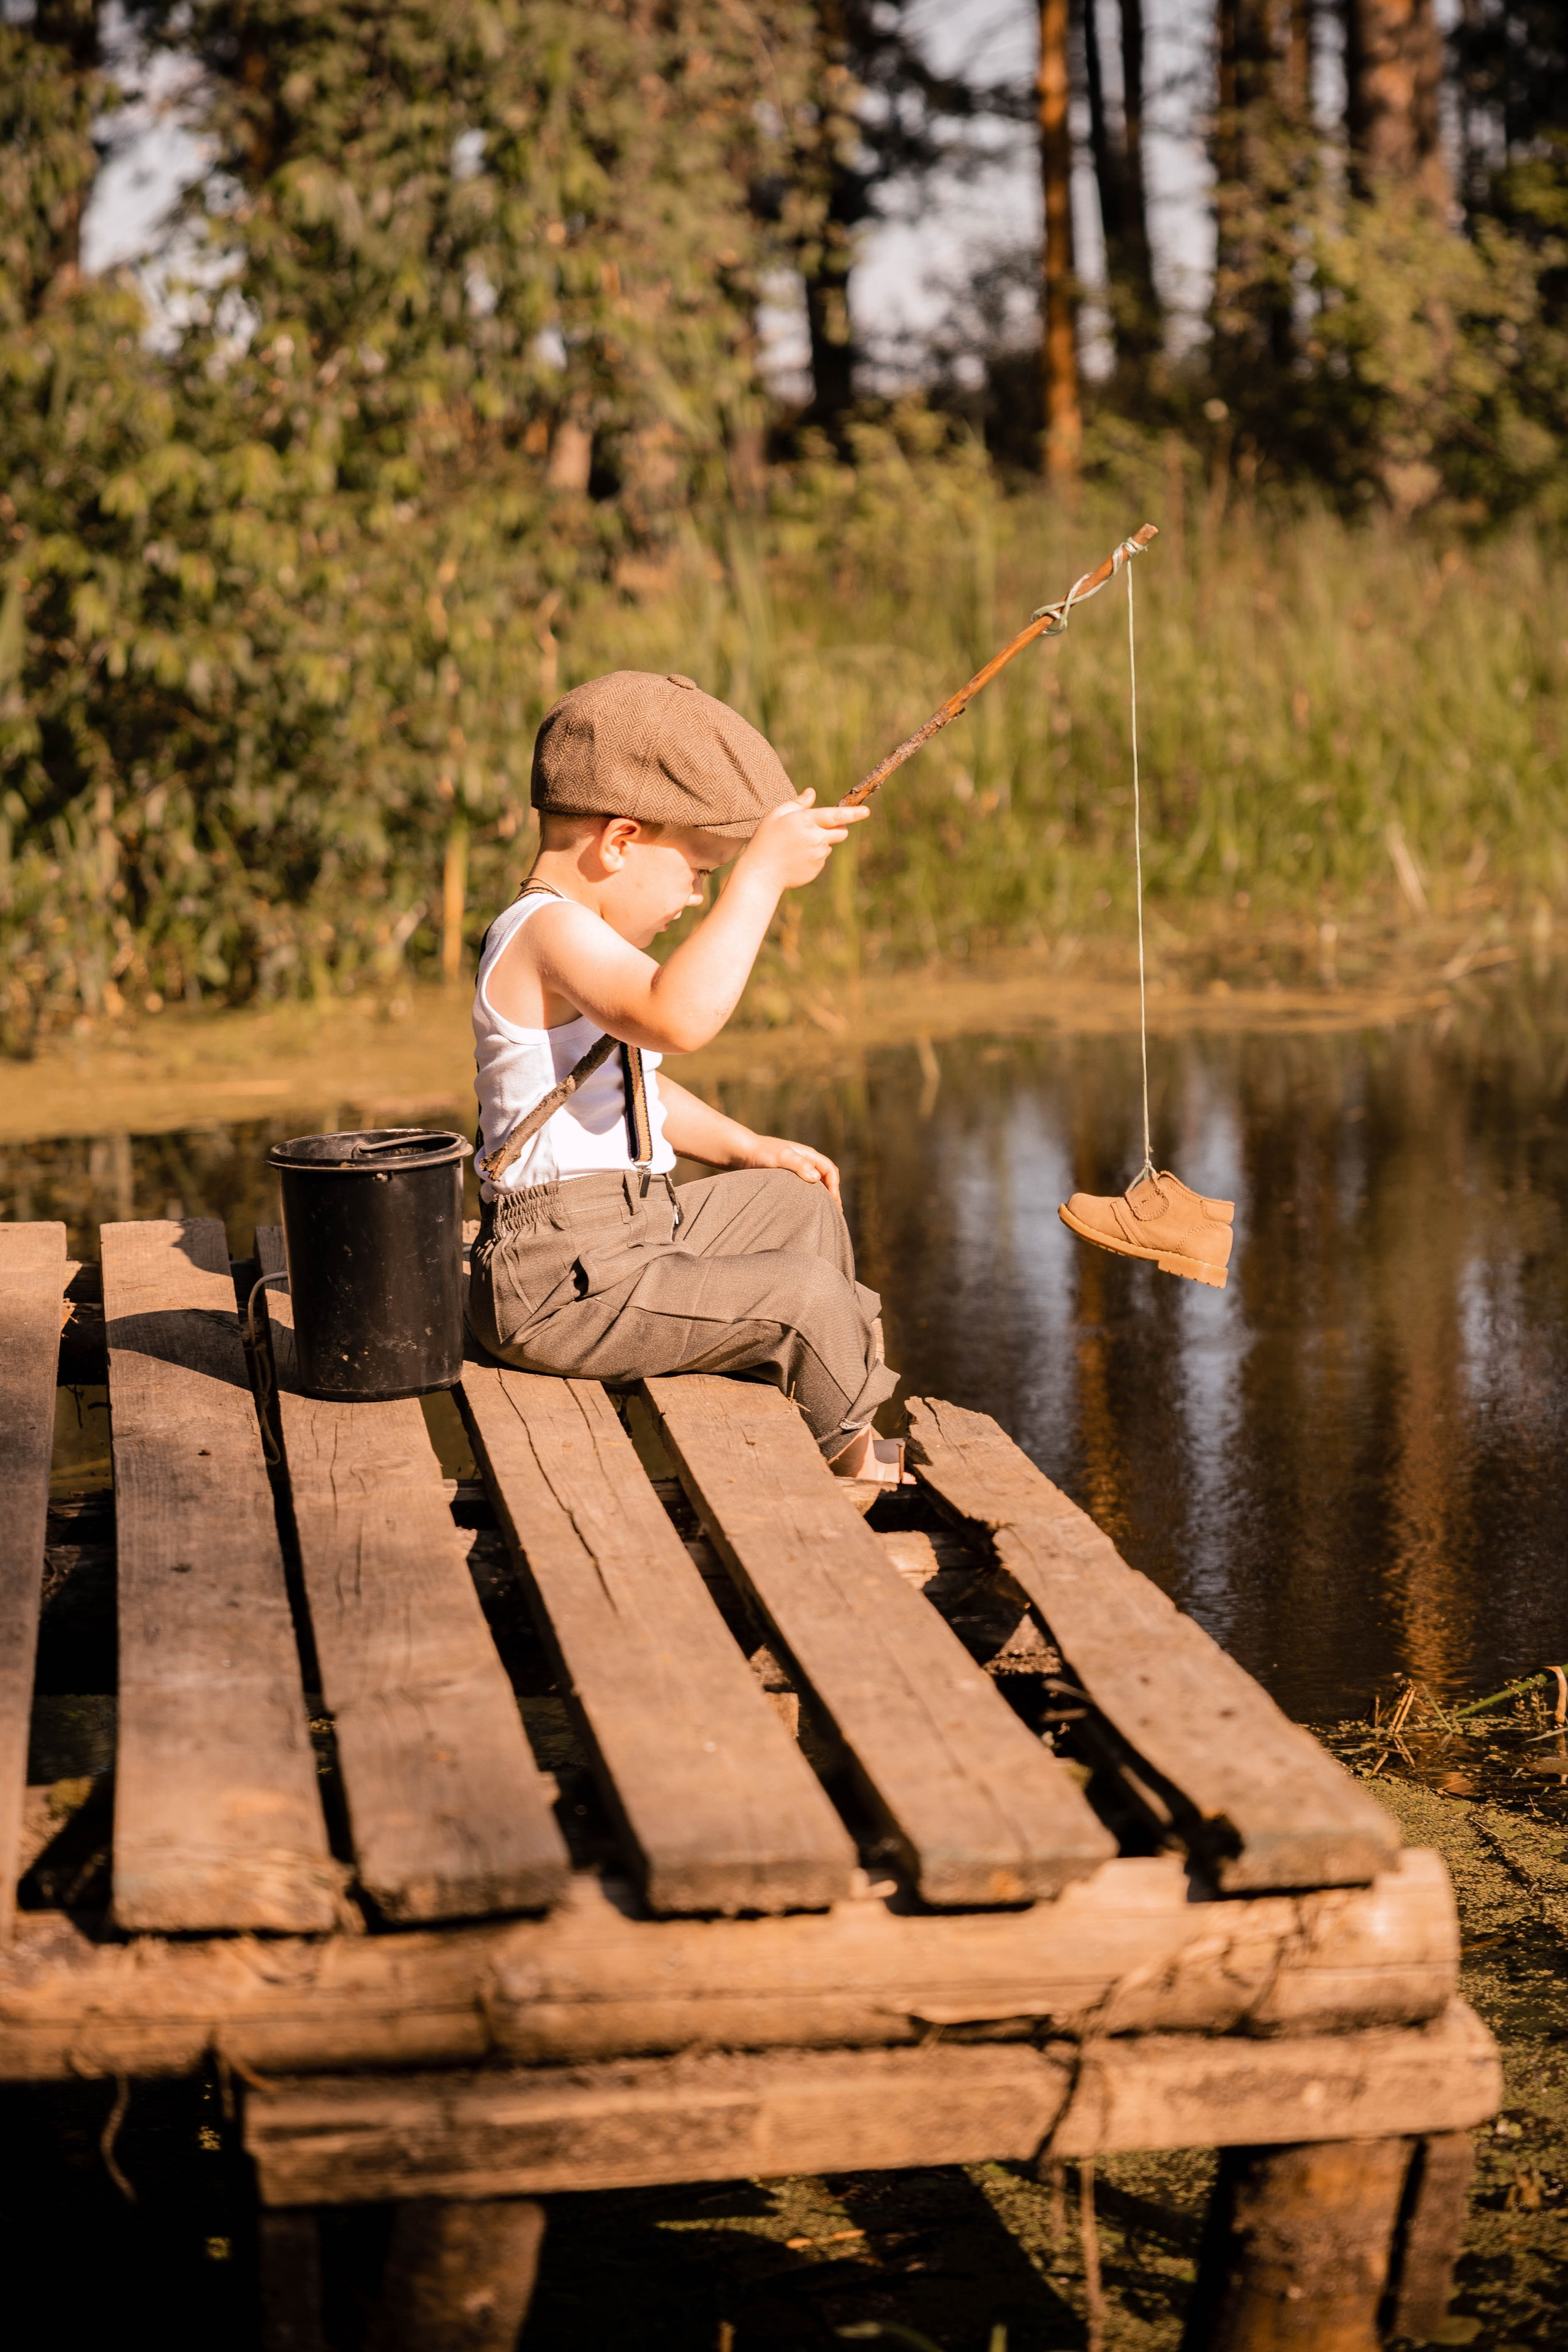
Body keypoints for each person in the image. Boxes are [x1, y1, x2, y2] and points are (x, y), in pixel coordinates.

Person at [466, 669, 903, 1480]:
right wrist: (759, 878)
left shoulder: (581, 938)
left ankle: (815, 1416)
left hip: (635, 1237)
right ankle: (854, 1469)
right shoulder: (545, 930)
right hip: (559, 1283)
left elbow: (638, 1089)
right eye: (699, 871)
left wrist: (748, 1147)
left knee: (799, 1204)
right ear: (619, 841)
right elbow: (679, 1018)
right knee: (804, 1299)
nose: (700, 896)